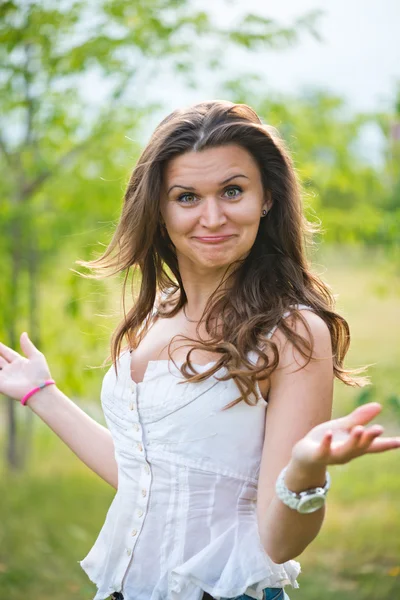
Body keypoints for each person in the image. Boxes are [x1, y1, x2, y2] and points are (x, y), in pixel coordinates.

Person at [0, 100, 399, 600]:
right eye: (187, 196)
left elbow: (279, 544)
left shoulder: (291, 331)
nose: (213, 217)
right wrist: (40, 393)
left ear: (267, 198)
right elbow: (146, 477)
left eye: (233, 191)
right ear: (159, 208)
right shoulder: (154, 316)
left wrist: (303, 469)